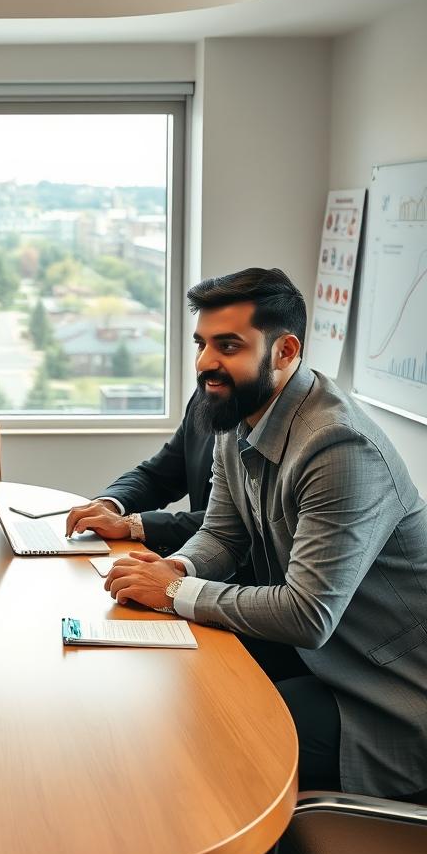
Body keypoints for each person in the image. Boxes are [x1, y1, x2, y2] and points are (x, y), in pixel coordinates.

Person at [104, 267, 427, 799]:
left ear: (284, 351)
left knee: (217, 733)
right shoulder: (238, 418)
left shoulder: (339, 447)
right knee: (176, 682)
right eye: (202, 343)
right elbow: (222, 537)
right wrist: (177, 568)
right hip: (324, 661)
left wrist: (175, 591)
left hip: (386, 695)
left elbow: (308, 614)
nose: (206, 362)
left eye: (228, 345)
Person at [64, 391, 214, 557]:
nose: (203, 364)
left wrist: (131, 525)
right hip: (195, 560)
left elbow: (232, 523)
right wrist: (109, 504)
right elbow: (156, 477)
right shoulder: (205, 398)